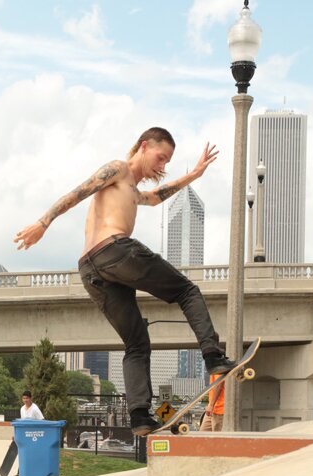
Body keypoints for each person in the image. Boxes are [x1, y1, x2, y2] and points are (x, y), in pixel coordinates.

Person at [13, 127, 235, 436]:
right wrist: (43, 222)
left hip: (91, 270)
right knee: (187, 290)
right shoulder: (118, 168)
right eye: (160, 157)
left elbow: (156, 197)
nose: (162, 166)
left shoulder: (132, 190)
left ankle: (140, 416)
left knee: (136, 342)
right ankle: (213, 356)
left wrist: (194, 175)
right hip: (114, 251)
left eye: (167, 162)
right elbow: (78, 193)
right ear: (144, 146)